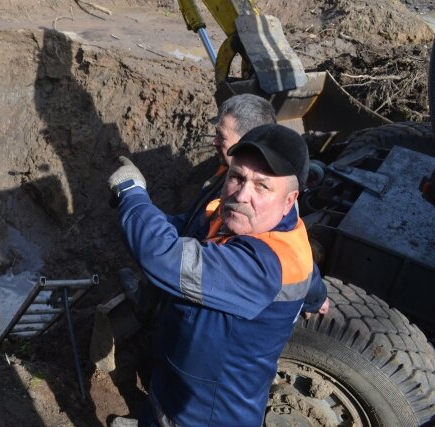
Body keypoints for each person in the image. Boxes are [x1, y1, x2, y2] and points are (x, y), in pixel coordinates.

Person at [107, 124, 329, 426]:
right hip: (176, 379)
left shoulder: (262, 266)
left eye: (262, 186)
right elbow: (182, 230)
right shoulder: (263, 224)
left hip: (205, 412)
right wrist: (316, 298)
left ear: (290, 200)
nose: (242, 194)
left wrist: (132, 194)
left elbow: (164, 256)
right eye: (236, 177)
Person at [172, 93, 276, 239]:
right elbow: (189, 224)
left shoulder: (256, 212)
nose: (214, 142)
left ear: (247, 141)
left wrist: (134, 193)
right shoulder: (223, 174)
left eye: (221, 136)